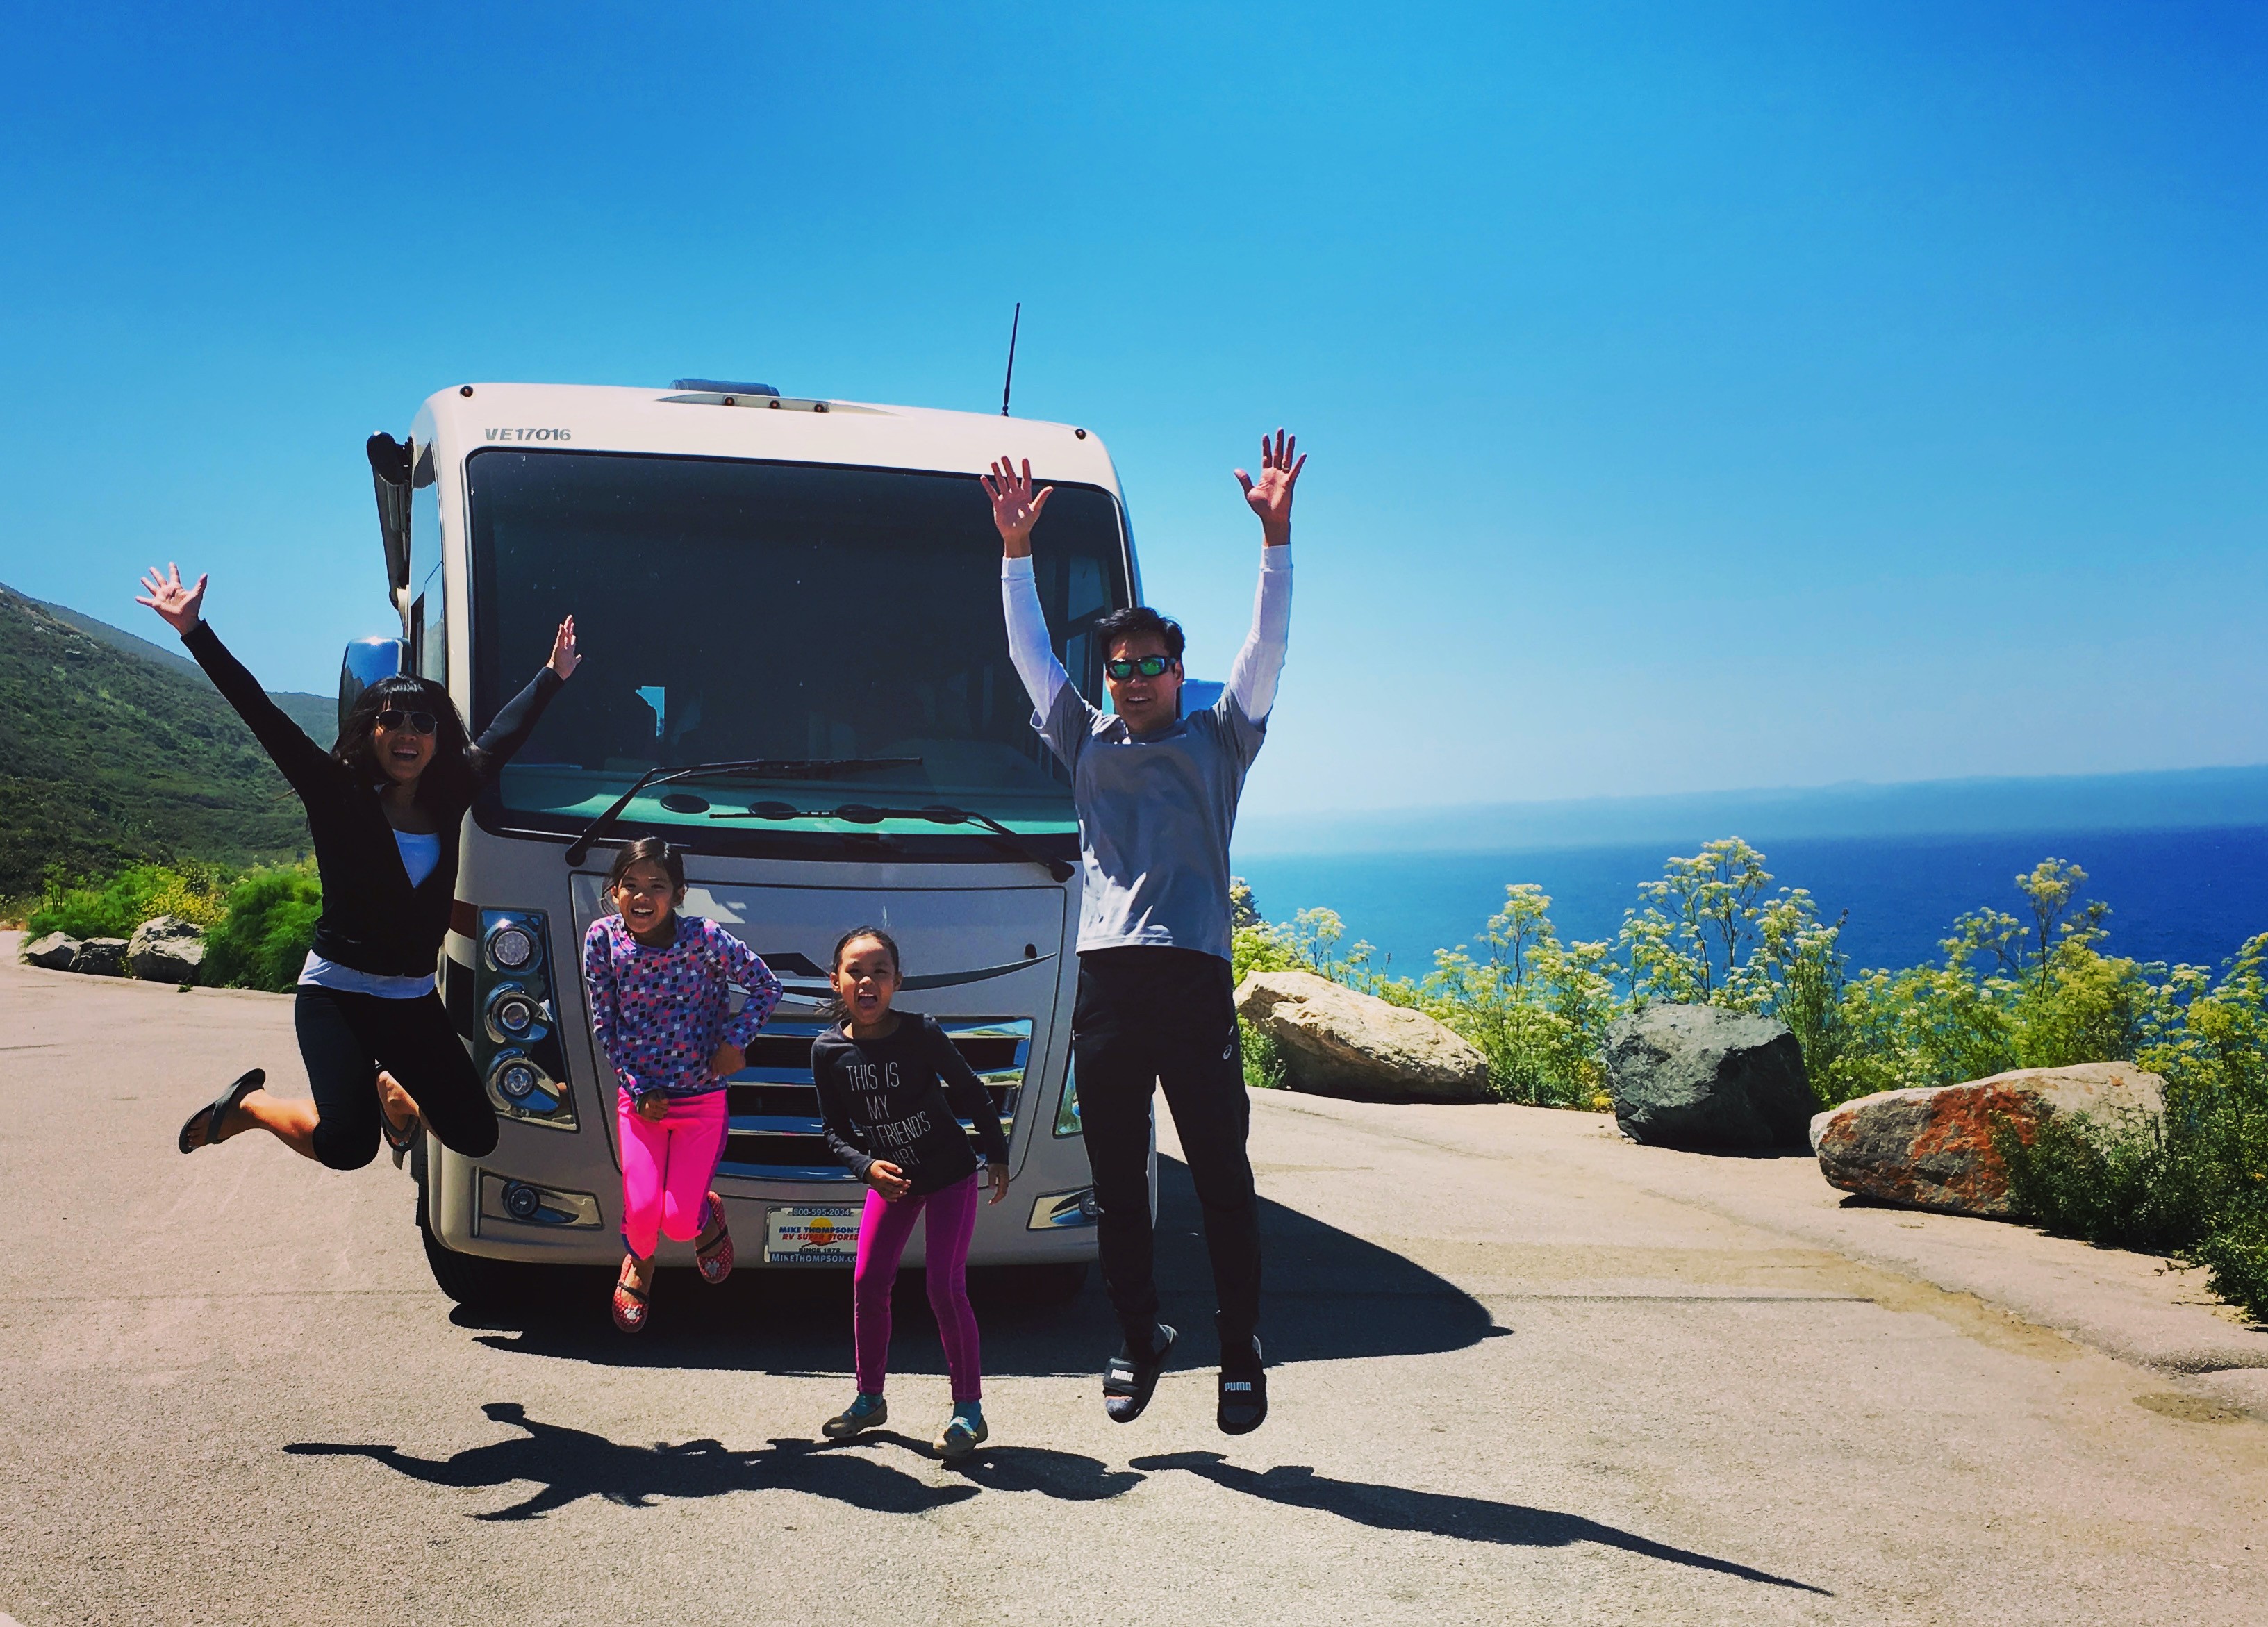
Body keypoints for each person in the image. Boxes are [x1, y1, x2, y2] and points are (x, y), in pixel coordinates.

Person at [983, 429, 1300, 1436]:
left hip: (1192, 981)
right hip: (1108, 987)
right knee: (1117, 1183)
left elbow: (1267, 649)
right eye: (1120, 666)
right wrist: (1016, 552)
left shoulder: (1221, 737)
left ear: (1177, 669)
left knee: (1222, 1179)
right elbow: (1026, 654)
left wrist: (1275, 539)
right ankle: (1138, 1334)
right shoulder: (1082, 737)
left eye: (1151, 664)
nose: (1133, 678)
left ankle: (1240, 1348)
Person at [140, 562, 579, 1173]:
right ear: (371, 731)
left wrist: (552, 676)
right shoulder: (336, 792)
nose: (407, 732)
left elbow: (502, 736)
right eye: (391, 720)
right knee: (348, 1147)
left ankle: (390, 1087)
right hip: (337, 993)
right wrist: (195, 631)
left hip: (411, 999)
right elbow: (261, 712)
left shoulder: (450, 794)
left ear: (436, 738)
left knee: (476, 1135)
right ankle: (252, 1106)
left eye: (422, 722)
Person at [811, 927, 1011, 1461]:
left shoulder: (920, 1032)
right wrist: (866, 1168)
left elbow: (970, 1091)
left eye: (879, 971)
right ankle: (869, 1400)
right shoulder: (827, 1050)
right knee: (868, 1281)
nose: (867, 981)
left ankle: (968, 1412)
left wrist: (996, 1154)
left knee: (944, 1287)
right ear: (835, 982)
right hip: (892, 1182)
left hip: (948, 1174)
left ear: (897, 982)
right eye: (855, 971)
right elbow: (834, 1131)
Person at [581, 836, 783, 1332]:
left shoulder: (706, 937)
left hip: (702, 1102)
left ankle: (702, 1216)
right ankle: (640, 1265)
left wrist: (734, 1041)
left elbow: (766, 986)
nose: (642, 896)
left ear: (679, 894)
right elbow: (605, 1022)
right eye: (630, 885)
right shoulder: (602, 939)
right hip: (641, 1104)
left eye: (657, 886)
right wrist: (636, 1086)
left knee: (676, 1222)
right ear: (613, 891)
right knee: (643, 1216)